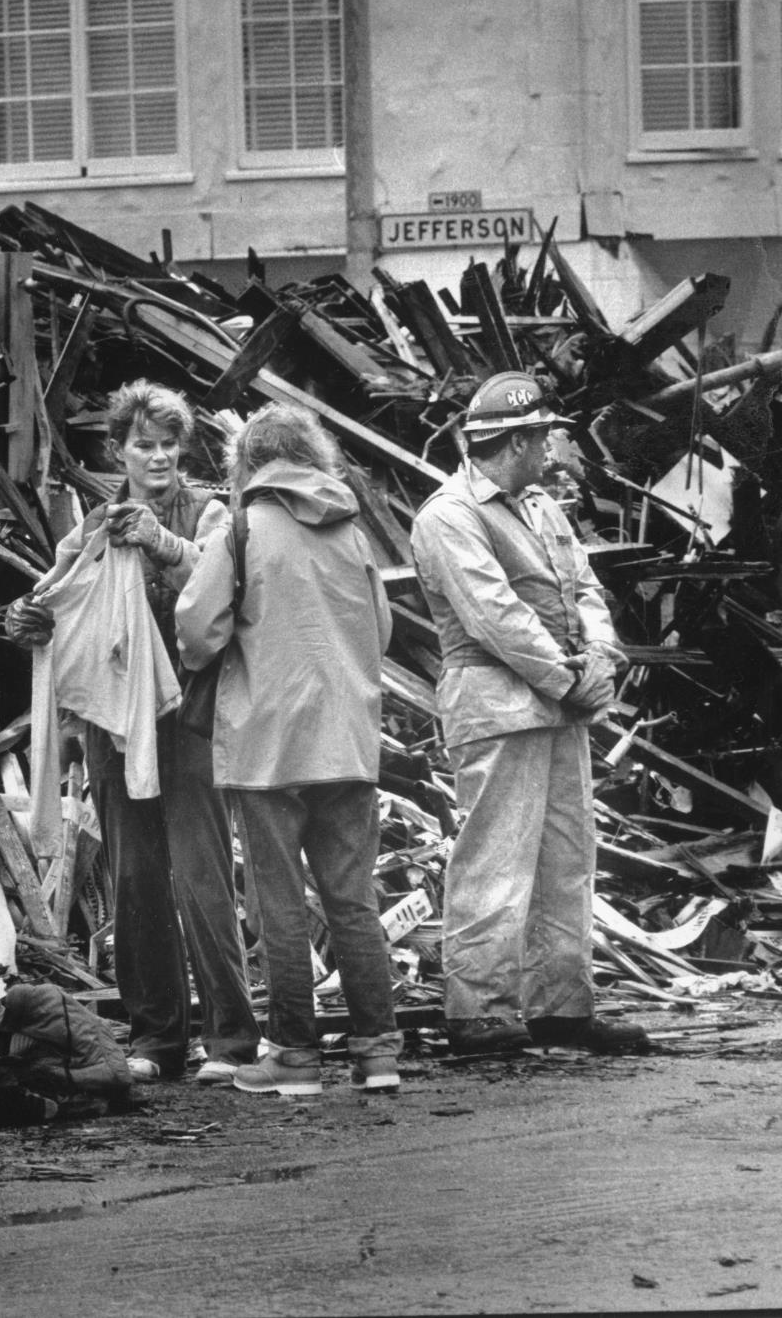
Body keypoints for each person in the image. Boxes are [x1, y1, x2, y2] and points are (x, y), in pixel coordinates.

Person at [5, 380, 260, 1084]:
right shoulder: (94, 524)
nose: (157, 458)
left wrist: (163, 542)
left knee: (203, 874)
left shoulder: (211, 513)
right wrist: (27, 619)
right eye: (142, 445)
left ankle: (233, 1040)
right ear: (116, 449)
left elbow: (224, 583)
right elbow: (56, 594)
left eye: (169, 446)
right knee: (137, 879)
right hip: (118, 723)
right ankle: (157, 1039)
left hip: (191, 719)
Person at [408, 371, 650, 1056]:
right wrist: (571, 680)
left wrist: (599, 656)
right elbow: (496, 617)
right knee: (496, 858)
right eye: (541, 437)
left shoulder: (541, 506)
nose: (550, 450)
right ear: (514, 441)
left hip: (556, 706)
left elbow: (584, 586)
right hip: (499, 706)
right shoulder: (449, 515)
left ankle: (560, 1004)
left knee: (566, 860)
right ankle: (479, 1009)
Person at [177, 403, 402, 1096]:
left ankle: (296, 1055)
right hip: (349, 739)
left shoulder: (244, 528)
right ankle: (378, 1053)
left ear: (249, 461)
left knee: (279, 900)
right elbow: (384, 630)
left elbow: (197, 626)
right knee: (352, 898)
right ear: (313, 456)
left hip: (268, 743)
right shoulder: (352, 531)